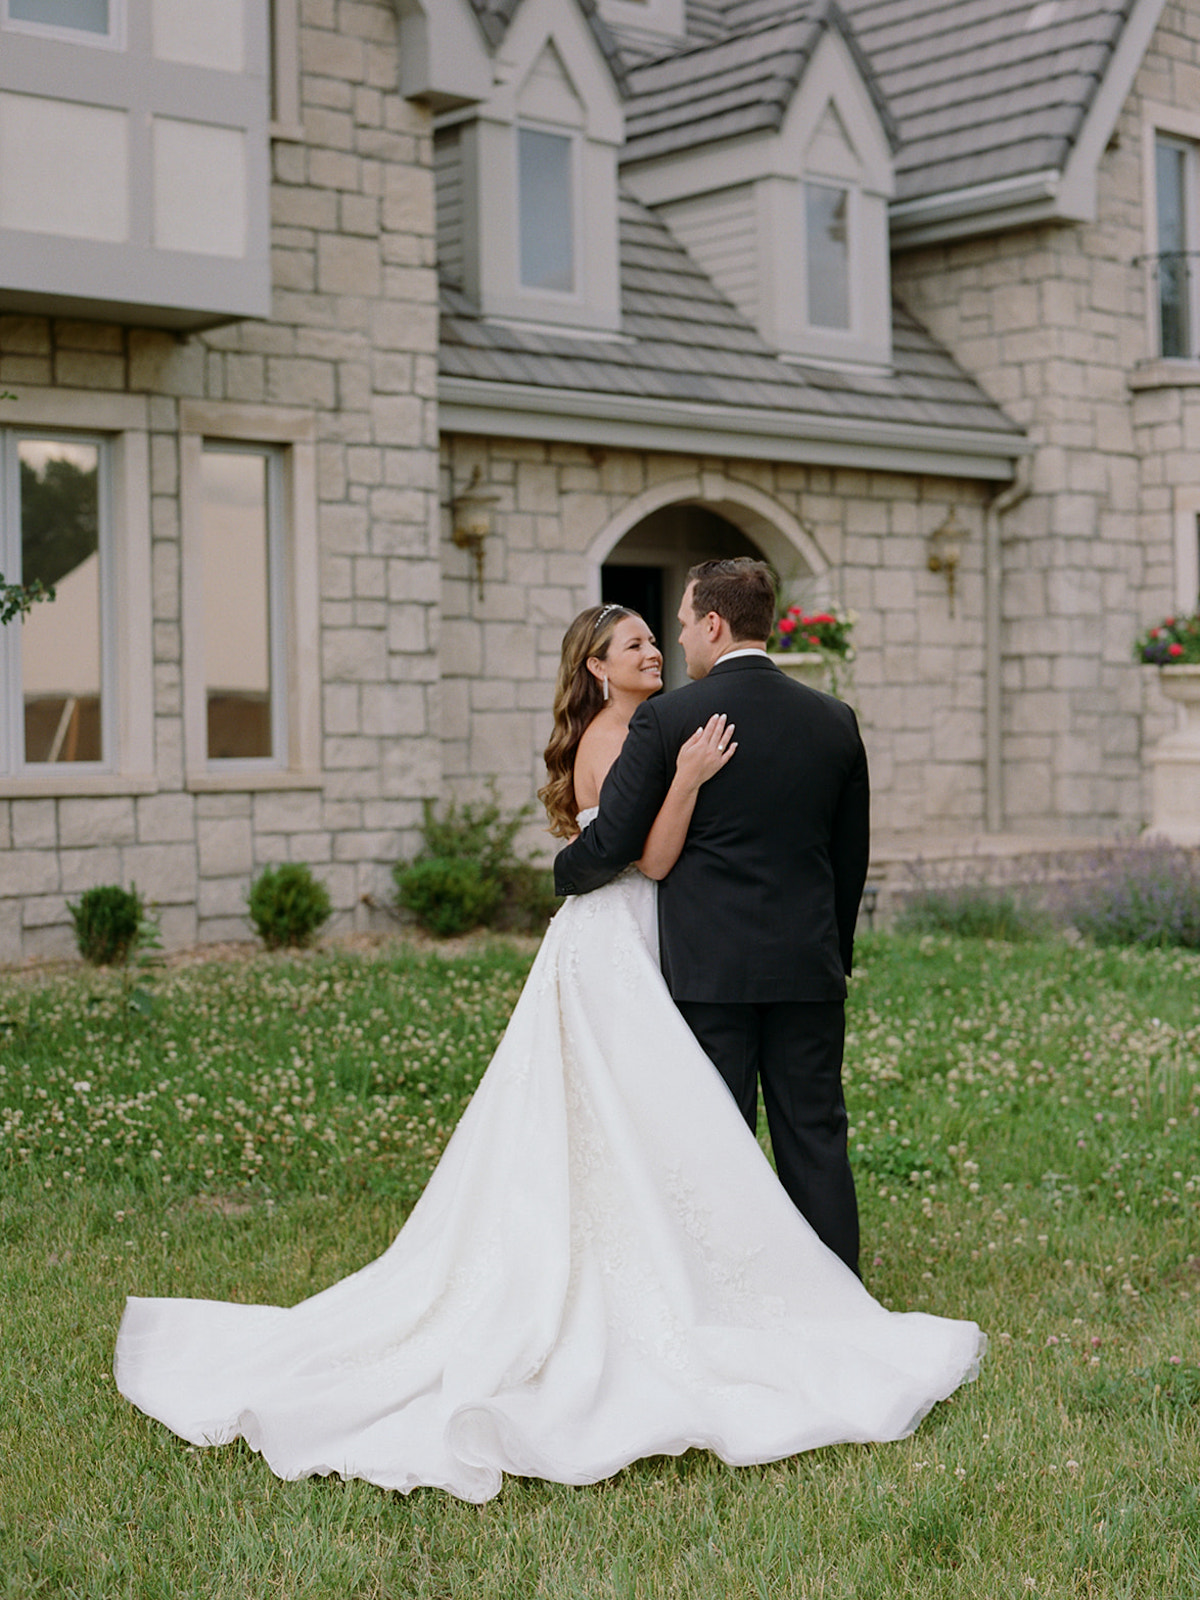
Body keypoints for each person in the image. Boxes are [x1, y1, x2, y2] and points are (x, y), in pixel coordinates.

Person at [114, 603, 982, 1505]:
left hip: (650, 938)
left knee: (656, 1119)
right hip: (618, 937)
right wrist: (682, 783)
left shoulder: (656, 723)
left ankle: (725, 1270)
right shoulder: (634, 735)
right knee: (654, 1116)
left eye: (658, 636)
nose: (655, 649)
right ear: (597, 668)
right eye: (634, 643)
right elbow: (636, 856)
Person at [554, 560, 869, 1273]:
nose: (679, 639)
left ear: (715, 624)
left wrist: (561, 873)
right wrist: (832, 954)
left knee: (715, 1142)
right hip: (807, 968)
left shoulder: (669, 718)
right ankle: (841, 1293)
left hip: (708, 971)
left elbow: (612, 842)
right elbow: (849, 858)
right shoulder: (835, 720)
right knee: (815, 1136)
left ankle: (728, 1288)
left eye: (685, 623)